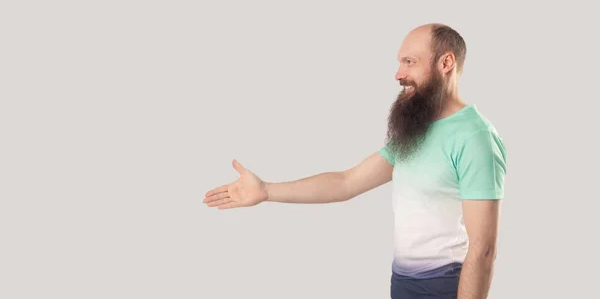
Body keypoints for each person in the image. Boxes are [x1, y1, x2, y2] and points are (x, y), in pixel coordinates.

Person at [203, 23, 507, 299]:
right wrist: (267, 190)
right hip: (403, 286)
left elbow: (483, 250)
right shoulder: (418, 130)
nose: (398, 74)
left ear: (446, 63)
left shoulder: (474, 137)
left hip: (444, 288)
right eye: (400, 62)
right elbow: (346, 182)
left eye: (409, 62)